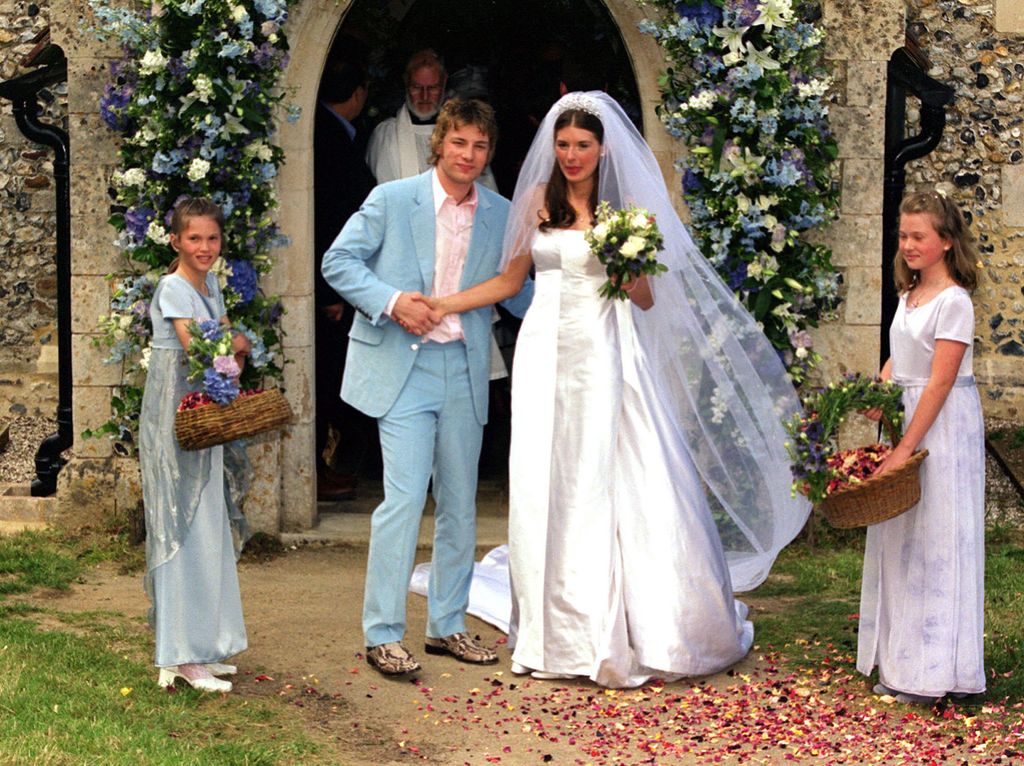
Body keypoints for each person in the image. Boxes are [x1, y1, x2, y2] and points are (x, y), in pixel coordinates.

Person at [425, 92, 809, 688]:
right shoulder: (535, 201)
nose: (572, 155)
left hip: (603, 347)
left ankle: (615, 623)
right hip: (543, 349)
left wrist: (626, 261)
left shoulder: (624, 212)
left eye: (583, 146)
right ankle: (551, 627)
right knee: (542, 475)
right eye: (564, 145)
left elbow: (647, 298)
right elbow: (507, 280)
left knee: (602, 473)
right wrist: (442, 302)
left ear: (602, 149)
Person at [321, 99, 532, 676]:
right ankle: (383, 633)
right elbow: (338, 263)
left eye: (480, 147)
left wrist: (586, 288)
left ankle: (448, 626)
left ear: (489, 154)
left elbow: (514, 294)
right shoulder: (392, 199)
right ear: (439, 143)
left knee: (461, 505)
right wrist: (392, 303)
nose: (469, 155)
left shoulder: (503, 213)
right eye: (460, 142)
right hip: (401, 369)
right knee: (406, 500)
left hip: (466, 371)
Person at [858, 190, 985, 705]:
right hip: (909, 419)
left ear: (946, 243)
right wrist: (878, 389)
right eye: (903, 236)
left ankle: (937, 668)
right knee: (904, 537)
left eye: (919, 236)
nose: (908, 244)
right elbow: (902, 357)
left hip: (942, 428)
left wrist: (904, 448)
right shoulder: (908, 295)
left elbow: (938, 381)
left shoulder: (954, 302)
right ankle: (903, 658)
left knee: (937, 538)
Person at [138, 197, 251, 693]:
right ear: (176, 241)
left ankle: (202, 644)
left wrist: (236, 355)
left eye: (212, 238)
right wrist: (239, 345)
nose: (204, 247)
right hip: (173, 420)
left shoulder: (211, 288)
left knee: (206, 523)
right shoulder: (173, 287)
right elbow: (203, 348)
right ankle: (179, 654)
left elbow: (224, 355)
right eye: (194, 239)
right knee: (177, 524)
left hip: (202, 417)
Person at [314, 49, 378, 502]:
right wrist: (330, 292)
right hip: (330, 287)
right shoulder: (331, 141)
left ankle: (323, 465)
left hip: (333, 284)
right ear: (358, 95)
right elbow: (327, 221)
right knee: (326, 375)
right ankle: (318, 468)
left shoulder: (330, 134)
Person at [366, 49, 499, 192]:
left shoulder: (465, 131)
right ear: (406, 82)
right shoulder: (386, 135)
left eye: (432, 88)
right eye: (417, 87)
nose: (425, 96)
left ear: (445, 81)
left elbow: (485, 194)